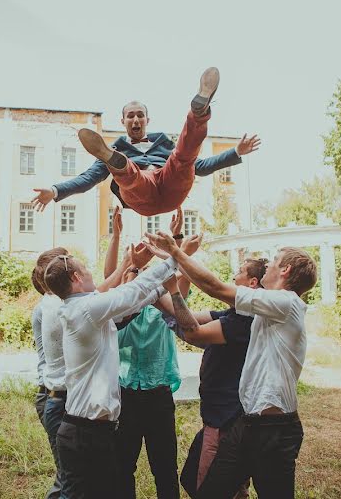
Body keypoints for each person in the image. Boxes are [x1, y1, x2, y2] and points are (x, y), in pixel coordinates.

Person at [146, 232, 317, 499]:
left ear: (285, 270)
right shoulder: (265, 307)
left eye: (274, 261)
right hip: (248, 424)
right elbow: (206, 303)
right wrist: (172, 260)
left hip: (275, 430)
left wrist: (178, 254)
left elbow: (215, 287)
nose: (268, 266)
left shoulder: (286, 303)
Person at [31, 67, 261, 216]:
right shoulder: (117, 148)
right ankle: (119, 165)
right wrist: (55, 190)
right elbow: (88, 179)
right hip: (142, 198)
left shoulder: (163, 143)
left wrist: (236, 152)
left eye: (140, 114)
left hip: (171, 188)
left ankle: (198, 113)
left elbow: (198, 167)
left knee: (183, 157)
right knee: (131, 177)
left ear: (147, 119)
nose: (135, 119)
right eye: (130, 116)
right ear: (123, 121)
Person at [43, 248, 179, 499]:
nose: (90, 273)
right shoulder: (85, 310)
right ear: (75, 277)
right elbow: (130, 292)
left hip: (91, 431)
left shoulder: (87, 311)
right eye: (85, 269)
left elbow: (136, 301)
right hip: (85, 434)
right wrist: (174, 257)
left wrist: (164, 286)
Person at [106, 207, 197, 499]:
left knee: (165, 467)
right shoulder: (122, 307)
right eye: (140, 272)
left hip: (158, 392)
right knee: (121, 466)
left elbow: (182, 275)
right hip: (126, 392)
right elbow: (111, 276)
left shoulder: (166, 305)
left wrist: (177, 239)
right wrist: (117, 236)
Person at [161, 257, 268, 499]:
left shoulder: (247, 321)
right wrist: (158, 292)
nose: (233, 276)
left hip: (226, 419)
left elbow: (193, 333)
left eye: (239, 271)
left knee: (205, 487)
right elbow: (185, 316)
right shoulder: (234, 314)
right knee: (229, 483)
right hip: (220, 415)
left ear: (252, 283)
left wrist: (171, 290)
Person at [32, 247, 72, 499]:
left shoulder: (54, 302)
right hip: (52, 395)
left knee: (70, 473)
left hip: (53, 394)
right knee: (68, 476)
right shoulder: (52, 306)